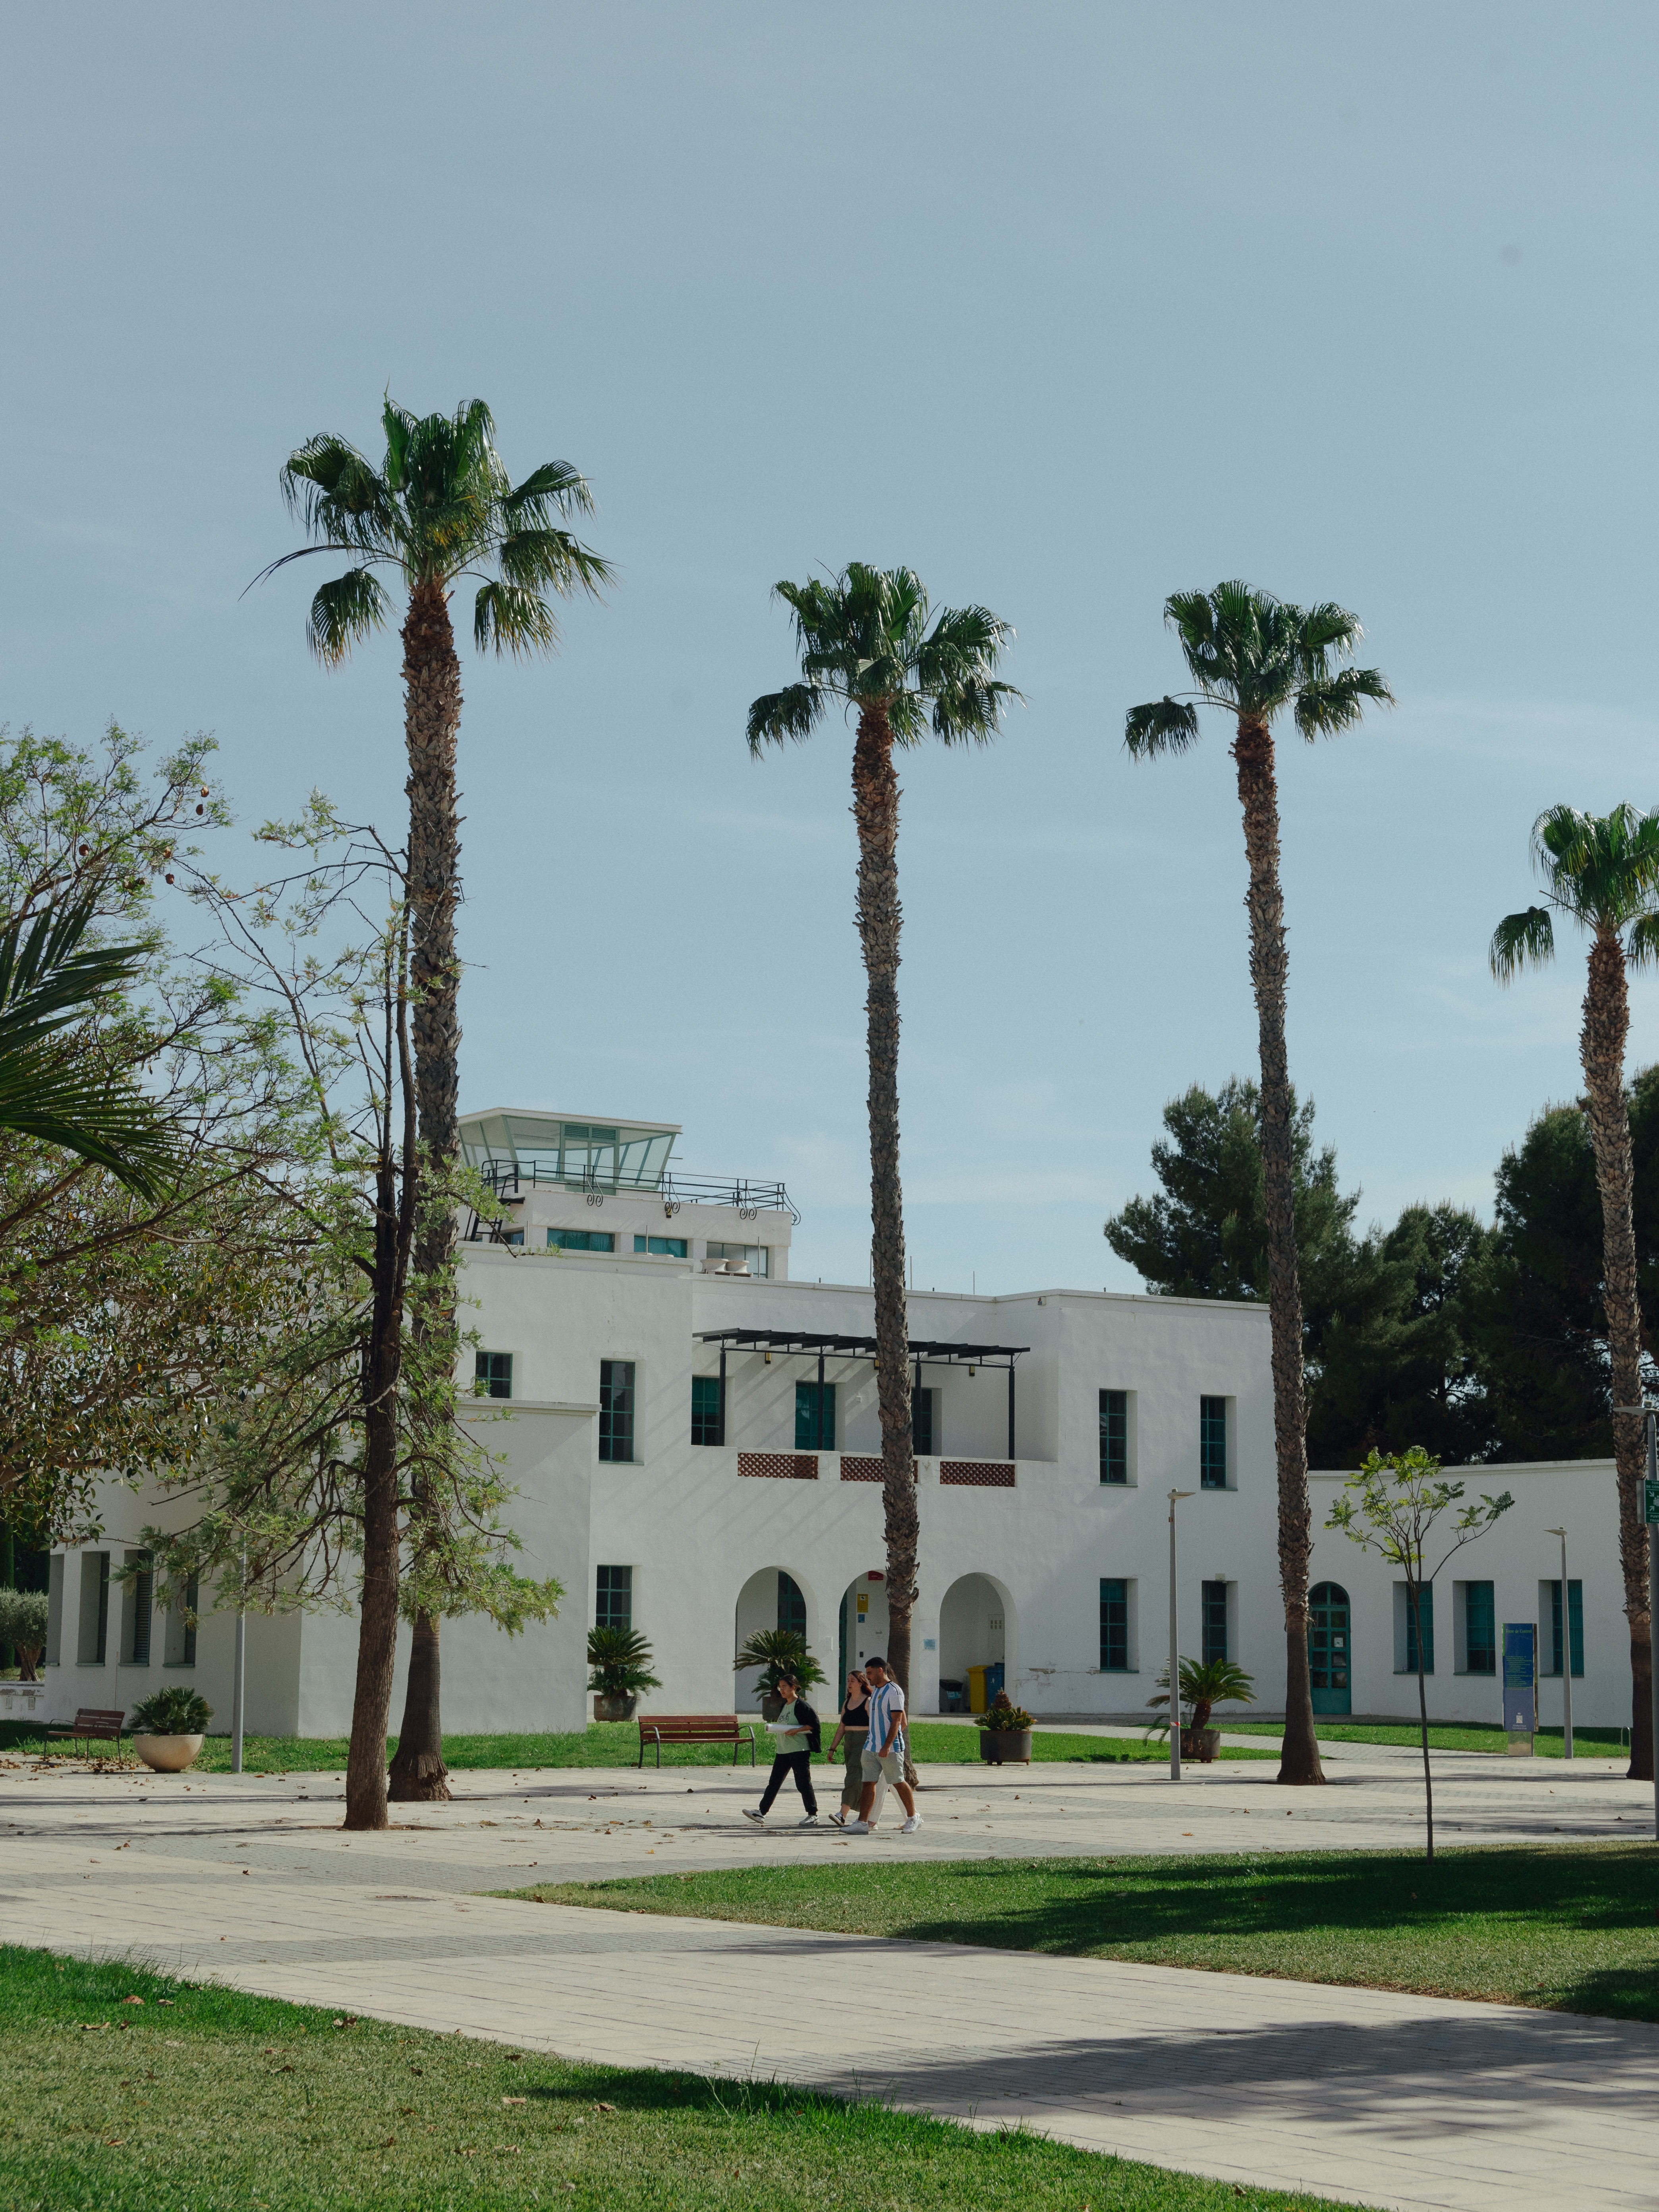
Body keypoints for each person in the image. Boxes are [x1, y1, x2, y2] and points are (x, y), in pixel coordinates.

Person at [846, 1655, 921, 1834]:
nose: (868, 1677)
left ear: (881, 1671)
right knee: (868, 1784)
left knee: (898, 1782)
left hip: (890, 1748)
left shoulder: (894, 1691)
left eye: (870, 1673)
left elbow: (897, 1721)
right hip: (871, 1747)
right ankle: (863, 1823)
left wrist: (887, 1746)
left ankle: (913, 1817)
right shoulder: (876, 1691)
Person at [743, 1671, 821, 1824]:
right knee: (774, 1782)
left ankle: (813, 1815)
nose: (782, 1690)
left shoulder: (802, 1706)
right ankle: (761, 1812)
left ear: (794, 1687)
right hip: (783, 1751)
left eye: (785, 1687)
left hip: (799, 1750)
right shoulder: (785, 1705)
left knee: (803, 1783)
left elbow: (814, 1725)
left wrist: (797, 1731)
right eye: (780, 1688)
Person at [825, 1668, 870, 1828]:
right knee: (856, 1778)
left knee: (852, 1777)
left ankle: (842, 1814)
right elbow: (842, 1727)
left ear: (861, 1683)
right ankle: (868, 1815)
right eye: (848, 1681)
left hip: (864, 1742)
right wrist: (833, 1748)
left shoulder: (868, 1701)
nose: (849, 1684)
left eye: (853, 1681)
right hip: (849, 1743)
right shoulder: (847, 1702)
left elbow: (875, 1726)